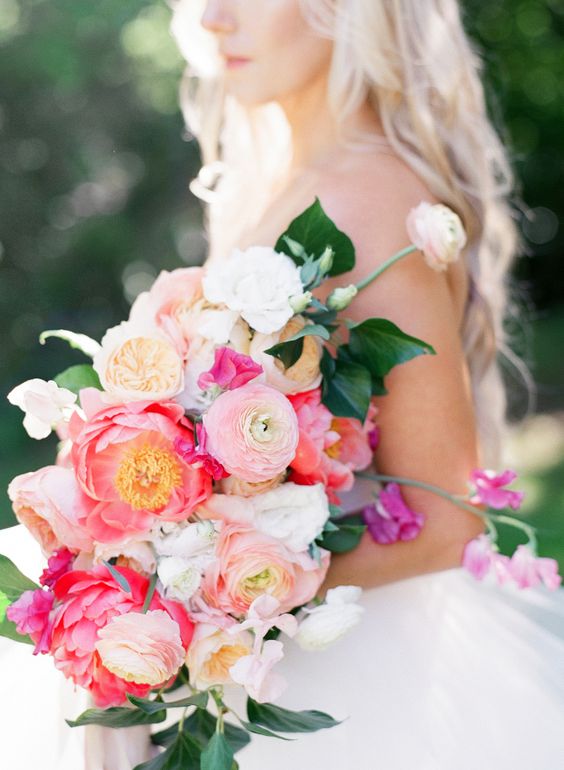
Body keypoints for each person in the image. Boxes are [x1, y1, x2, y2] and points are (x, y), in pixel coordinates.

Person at [168, 0, 564, 768]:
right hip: (286, 664)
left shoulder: (371, 195)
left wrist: (197, 592)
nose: (213, 18)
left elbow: (444, 520)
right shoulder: (284, 183)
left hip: (367, 691)